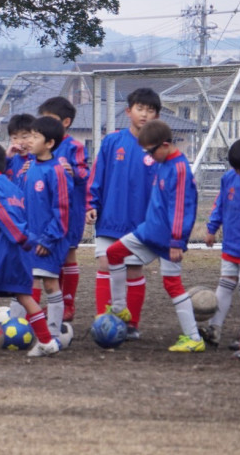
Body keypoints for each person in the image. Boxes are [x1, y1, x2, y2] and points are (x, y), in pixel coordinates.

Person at [104, 120, 201, 352]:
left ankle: (194, 338)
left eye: (150, 150)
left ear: (165, 145)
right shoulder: (162, 163)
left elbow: (180, 208)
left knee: (172, 285)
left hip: (168, 240)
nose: (148, 155)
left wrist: (177, 240)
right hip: (148, 232)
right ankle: (119, 308)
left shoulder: (179, 168)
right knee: (113, 253)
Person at [0, 143, 60, 357]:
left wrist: (20, 237)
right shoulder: (13, 185)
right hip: (21, 252)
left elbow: (2, 213)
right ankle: (48, 341)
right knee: (24, 295)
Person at [86, 87, 161, 339]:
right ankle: (103, 320)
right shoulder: (112, 141)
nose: (144, 115)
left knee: (133, 269)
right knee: (105, 263)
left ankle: (131, 324)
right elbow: (97, 176)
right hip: (110, 218)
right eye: (140, 109)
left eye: (150, 111)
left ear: (157, 116)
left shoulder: (157, 150)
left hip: (140, 223)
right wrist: (91, 204)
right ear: (129, 111)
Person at [17, 116, 73, 339]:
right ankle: (19, 328)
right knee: (21, 285)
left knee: (50, 285)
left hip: (47, 243)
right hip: (28, 241)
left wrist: (48, 239)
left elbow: (62, 210)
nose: (29, 140)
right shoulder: (28, 167)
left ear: (49, 143)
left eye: (35, 136)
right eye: (29, 135)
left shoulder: (56, 171)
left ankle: (53, 332)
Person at [200, 139, 240, 347]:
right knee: (224, 286)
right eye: (237, 169)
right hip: (231, 245)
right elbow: (220, 205)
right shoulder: (229, 179)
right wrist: (211, 229)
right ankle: (214, 329)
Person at [38, 97, 89, 321]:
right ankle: (55, 302)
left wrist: (73, 172)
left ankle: (68, 304)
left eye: (51, 120)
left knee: (68, 254)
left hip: (70, 211)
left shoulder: (74, 146)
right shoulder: (39, 145)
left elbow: (86, 175)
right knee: (52, 256)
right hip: (46, 212)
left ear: (66, 122)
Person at [5, 113, 35, 182]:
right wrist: (7, 157)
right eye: (14, 138)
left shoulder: (39, 161)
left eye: (24, 137)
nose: (19, 142)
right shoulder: (10, 161)